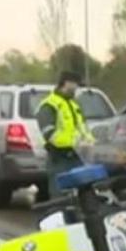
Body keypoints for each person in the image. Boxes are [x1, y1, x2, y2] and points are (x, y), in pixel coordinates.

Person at [37, 71, 94, 199]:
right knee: (61, 199)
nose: (77, 89)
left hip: (78, 158)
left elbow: (83, 128)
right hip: (59, 160)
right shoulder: (49, 105)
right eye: (76, 85)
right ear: (67, 83)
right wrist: (75, 142)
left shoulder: (74, 105)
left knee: (82, 197)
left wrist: (90, 142)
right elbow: (50, 135)